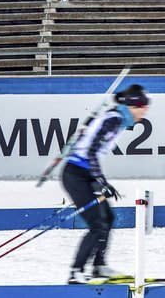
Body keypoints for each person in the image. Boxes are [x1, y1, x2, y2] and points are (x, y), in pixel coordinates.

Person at [62, 84, 150, 284]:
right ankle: (76, 272)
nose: (144, 114)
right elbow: (91, 152)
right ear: (132, 107)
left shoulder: (116, 117)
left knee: (108, 217)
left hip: (86, 174)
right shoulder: (114, 119)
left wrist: (101, 181)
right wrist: (102, 182)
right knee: (96, 224)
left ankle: (99, 266)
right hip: (76, 175)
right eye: (142, 109)